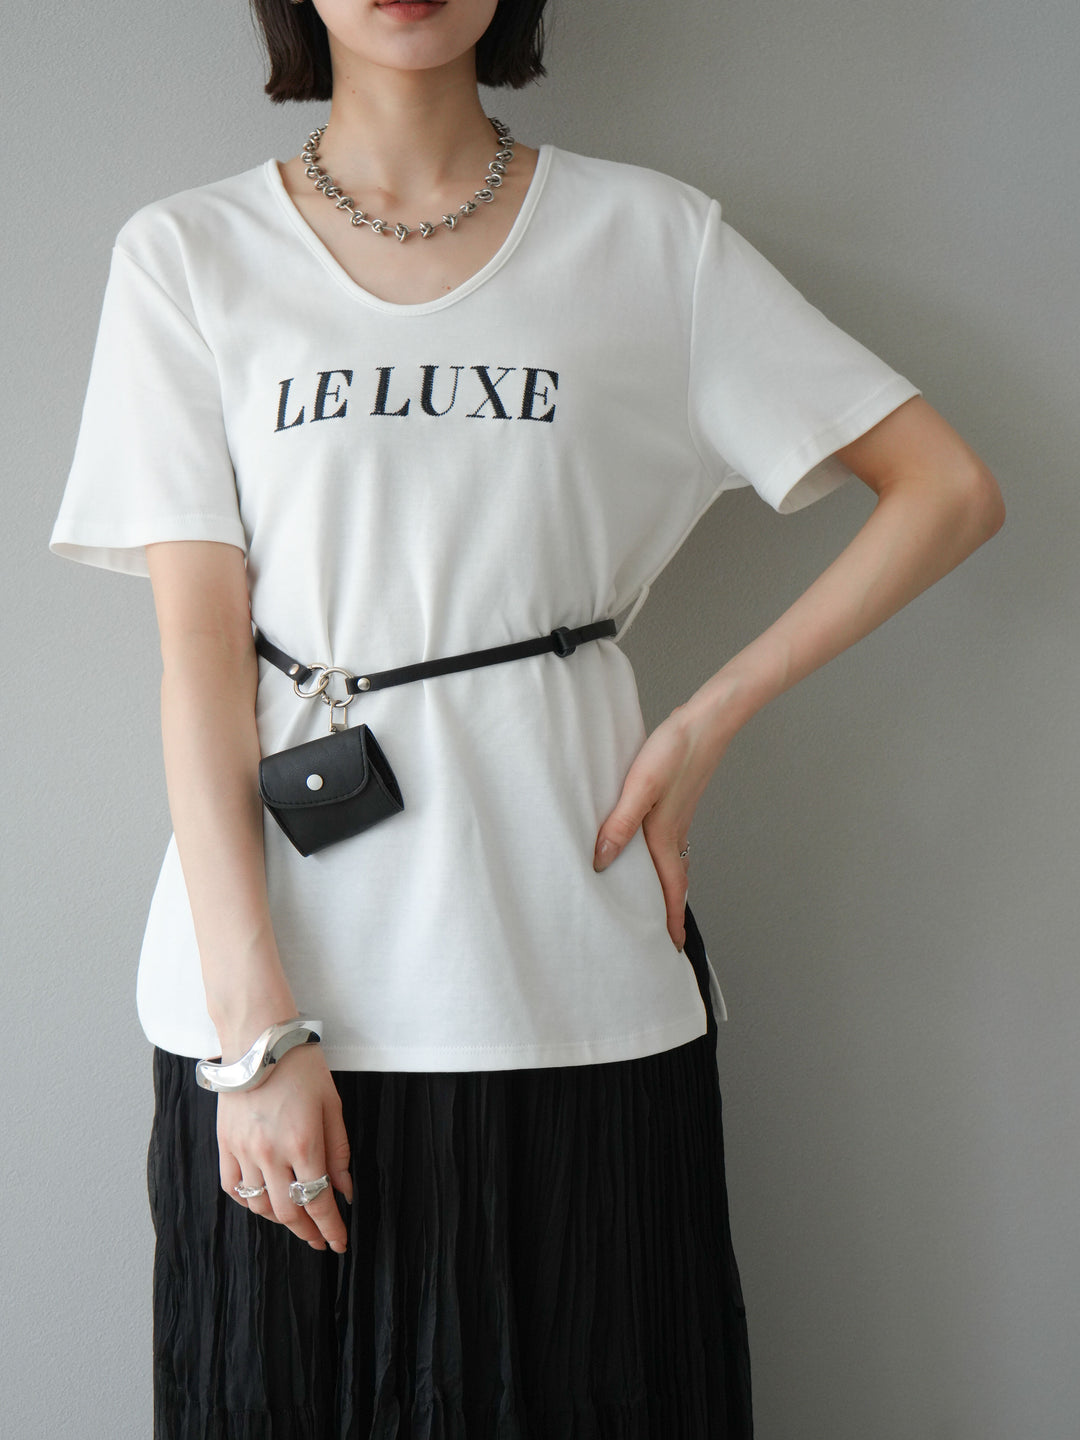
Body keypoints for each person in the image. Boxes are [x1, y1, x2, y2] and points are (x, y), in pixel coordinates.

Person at [48, 0, 1005, 1435]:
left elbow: (947, 490)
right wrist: (254, 1042)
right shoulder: (189, 253)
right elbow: (199, 658)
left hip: (570, 975)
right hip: (281, 1011)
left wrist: (708, 718)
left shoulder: (652, 240)